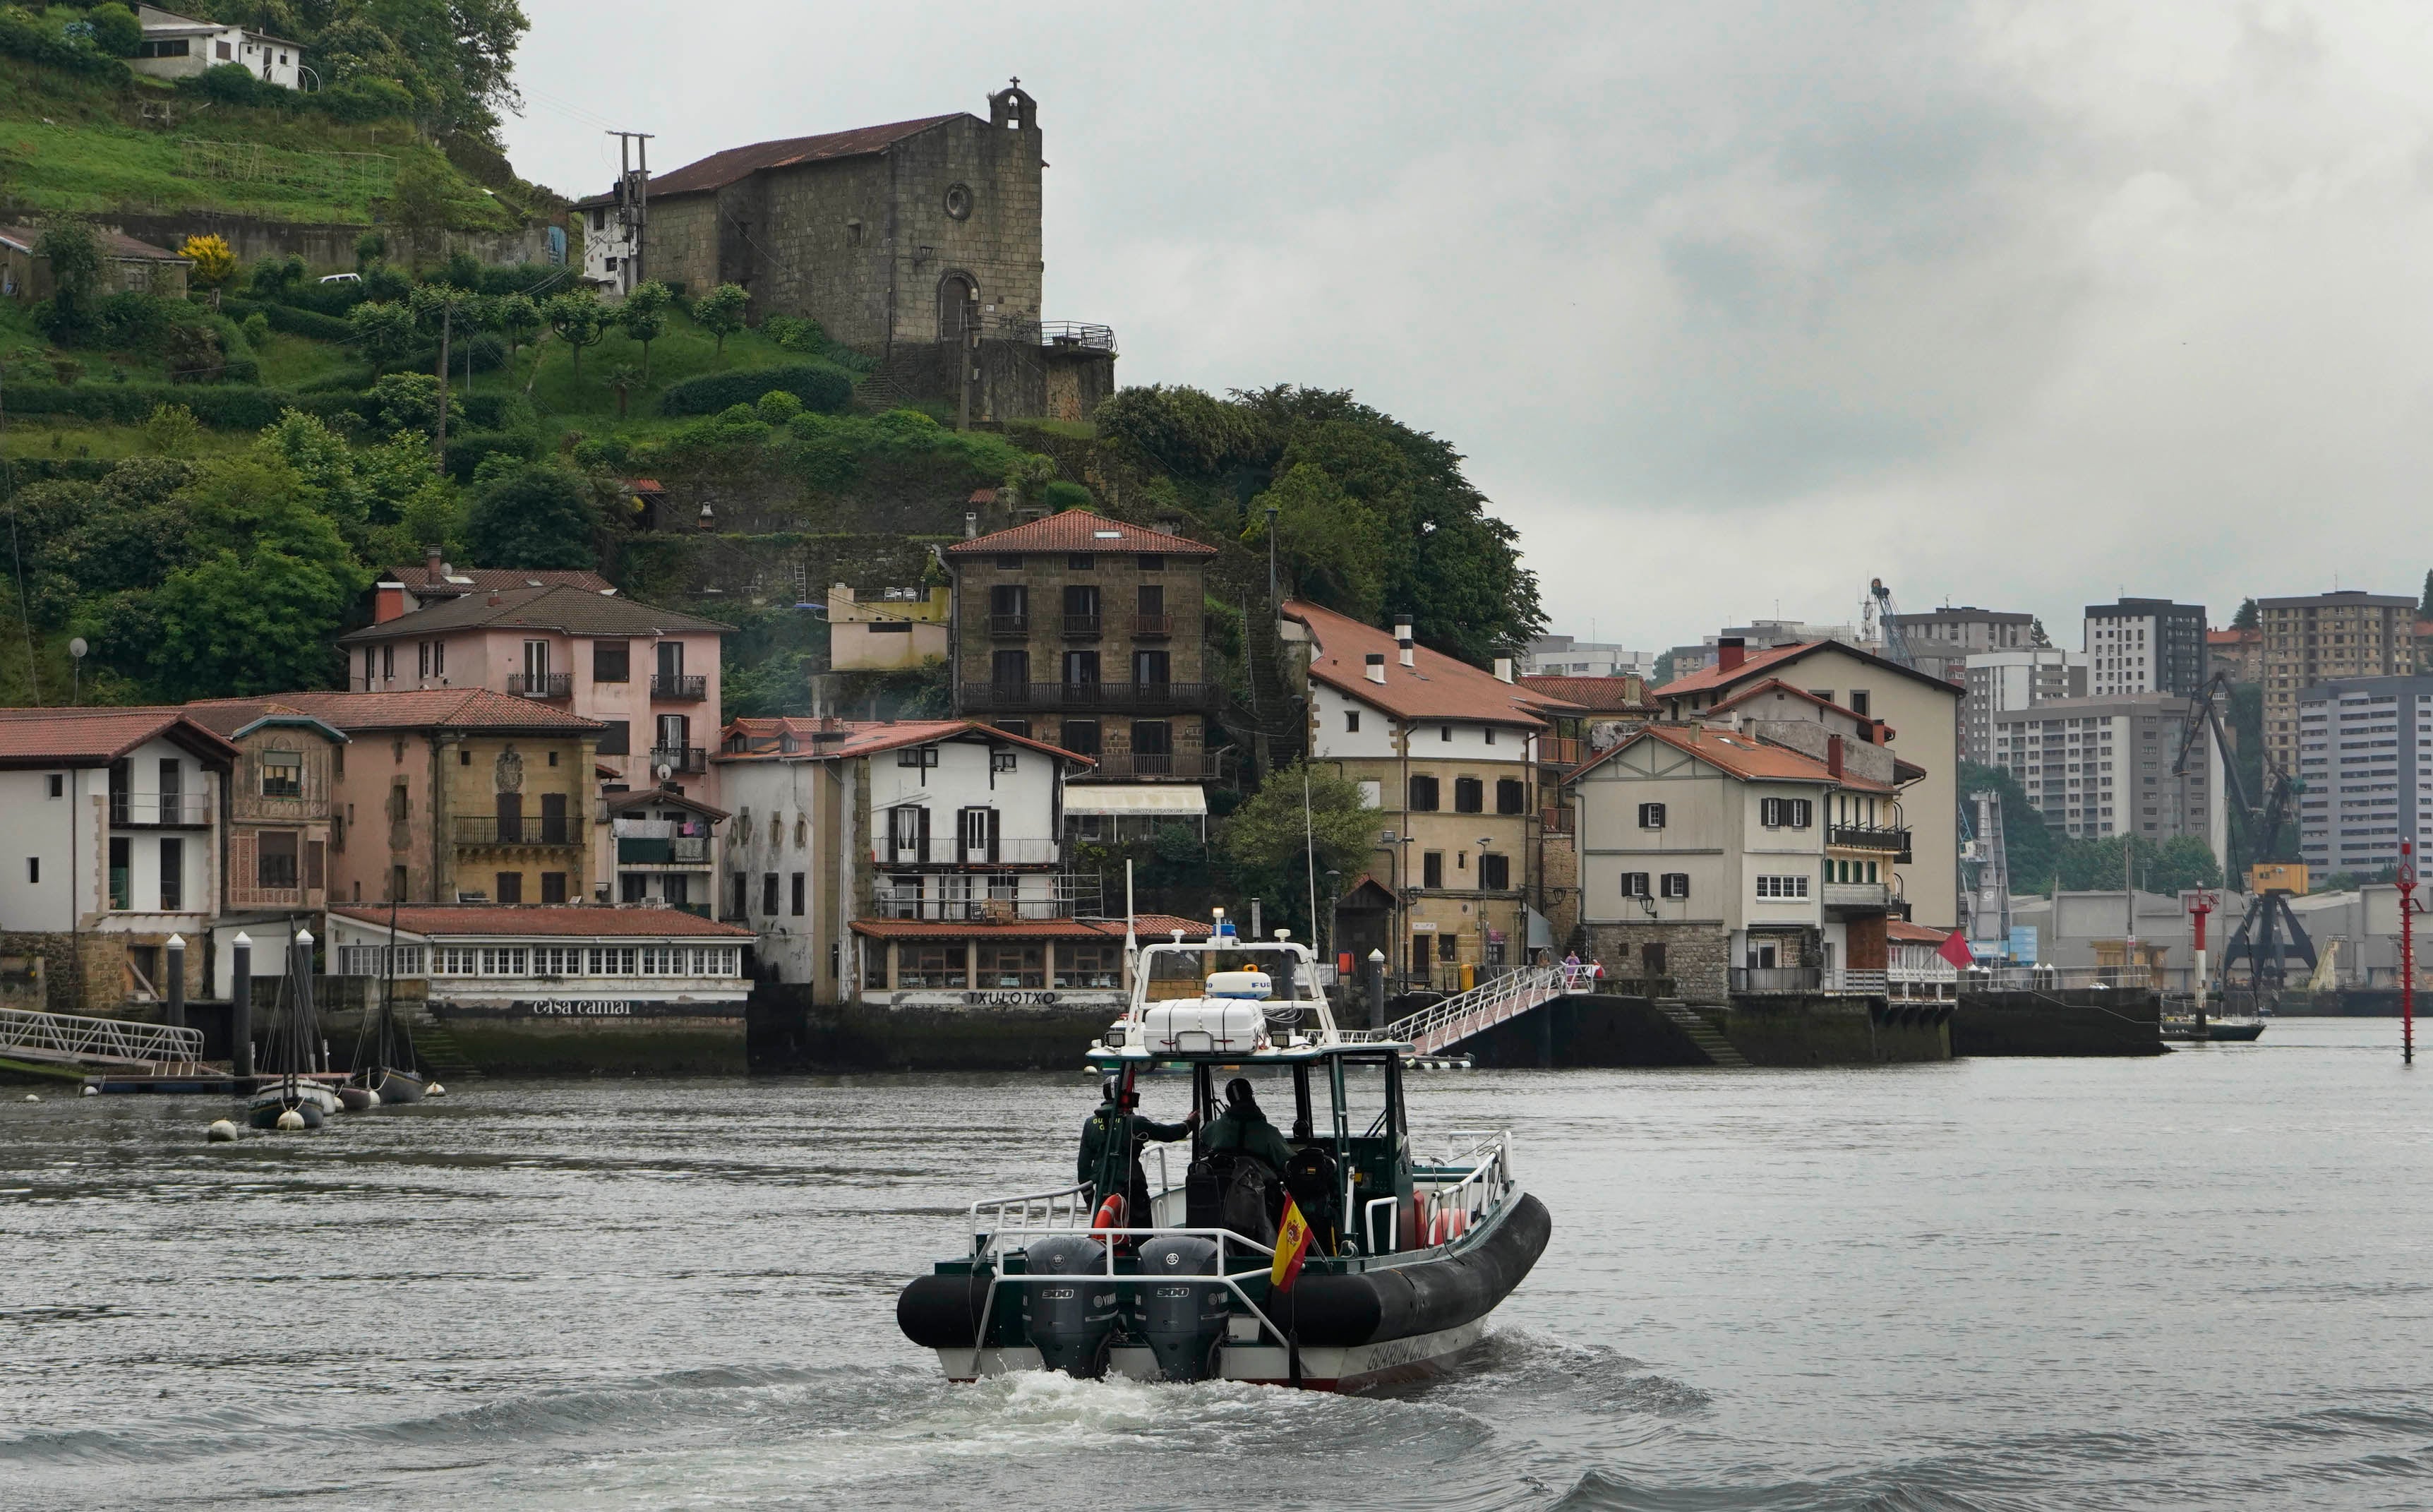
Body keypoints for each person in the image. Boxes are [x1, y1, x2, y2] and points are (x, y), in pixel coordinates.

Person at [1076, 1077, 1195, 1226]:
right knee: (1141, 1235)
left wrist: (1089, 1200)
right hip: (1132, 1188)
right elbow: (1169, 1134)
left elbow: (1083, 1169)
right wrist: (1189, 1123)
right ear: (1126, 1096)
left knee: (1103, 1235)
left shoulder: (1089, 1124)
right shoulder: (1136, 1123)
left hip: (1102, 1192)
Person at [1201, 1076, 1294, 1174]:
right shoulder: (1268, 1132)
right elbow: (1287, 1159)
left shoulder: (1215, 1128)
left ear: (1230, 1100)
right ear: (1252, 1098)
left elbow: (1204, 1136)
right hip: (1262, 1185)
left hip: (1223, 1183)